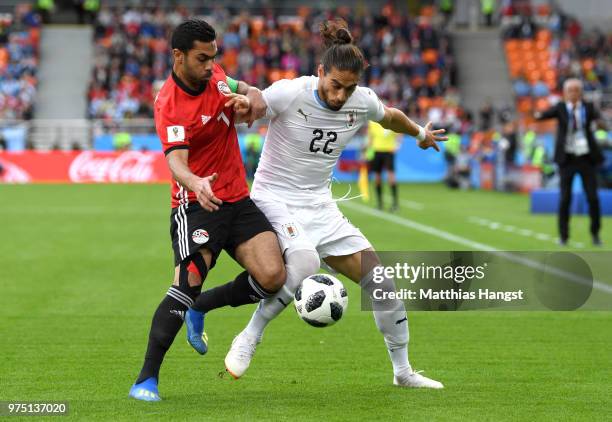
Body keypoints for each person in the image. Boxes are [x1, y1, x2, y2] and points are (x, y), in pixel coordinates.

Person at [224, 19, 447, 389]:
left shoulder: (361, 101)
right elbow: (259, 101)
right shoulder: (292, 92)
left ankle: (403, 372)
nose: (341, 95)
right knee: (303, 263)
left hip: (321, 207)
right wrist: (246, 102)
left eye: (349, 87)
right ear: (320, 72)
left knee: (382, 285)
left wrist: (421, 133)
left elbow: (390, 116)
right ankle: (249, 336)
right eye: (335, 85)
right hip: (274, 199)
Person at [129, 19, 286, 402]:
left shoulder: (214, 74)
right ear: (178, 56)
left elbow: (246, 90)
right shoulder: (170, 104)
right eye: (202, 58)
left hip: (237, 198)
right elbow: (176, 162)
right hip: (197, 204)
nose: (210, 64)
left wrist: (249, 99)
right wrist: (196, 182)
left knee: (273, 277)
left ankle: (203, 307)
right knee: (185, 285)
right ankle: (146, 379)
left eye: (213, 57)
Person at [535, 78, 606, 246]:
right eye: (570, 90)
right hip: (567, 159)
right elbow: (543, 115)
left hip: (586, 158)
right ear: (565, 93)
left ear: (581, 92)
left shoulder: (588, 108)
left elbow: (601, 119)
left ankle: (595, 234)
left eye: (576, 90)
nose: (574, 93)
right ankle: (563, 236)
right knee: (565, 198)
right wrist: (537, 114)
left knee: (593, 198)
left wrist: (603, 123)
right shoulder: (560, 108)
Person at [368, 120, 401, 211]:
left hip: (389, 151)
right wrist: (367, 151)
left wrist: (398, 145)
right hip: (376, 151)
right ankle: (380, 203)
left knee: (391, 177)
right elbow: (370, 138)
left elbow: (399, 133)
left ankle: (395, 204)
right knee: (377, 177)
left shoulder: (391, 121)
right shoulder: (372, 122)